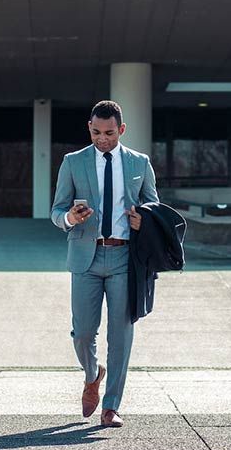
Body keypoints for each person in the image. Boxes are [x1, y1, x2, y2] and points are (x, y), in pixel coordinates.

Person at [50, 100, 158, 428]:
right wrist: (69, 217)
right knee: (83, 333)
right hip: (86, 255)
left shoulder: (140, 163)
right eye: (96, 132)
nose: (102, 139)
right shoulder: (73, 162)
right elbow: (56, 211)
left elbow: (154, 205)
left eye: (109, 133)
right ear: (89, 128)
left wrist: (145, 221)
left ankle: (111, 406)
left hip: (126, 257)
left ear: (121, 130)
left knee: (121, 334)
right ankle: (92, 373)